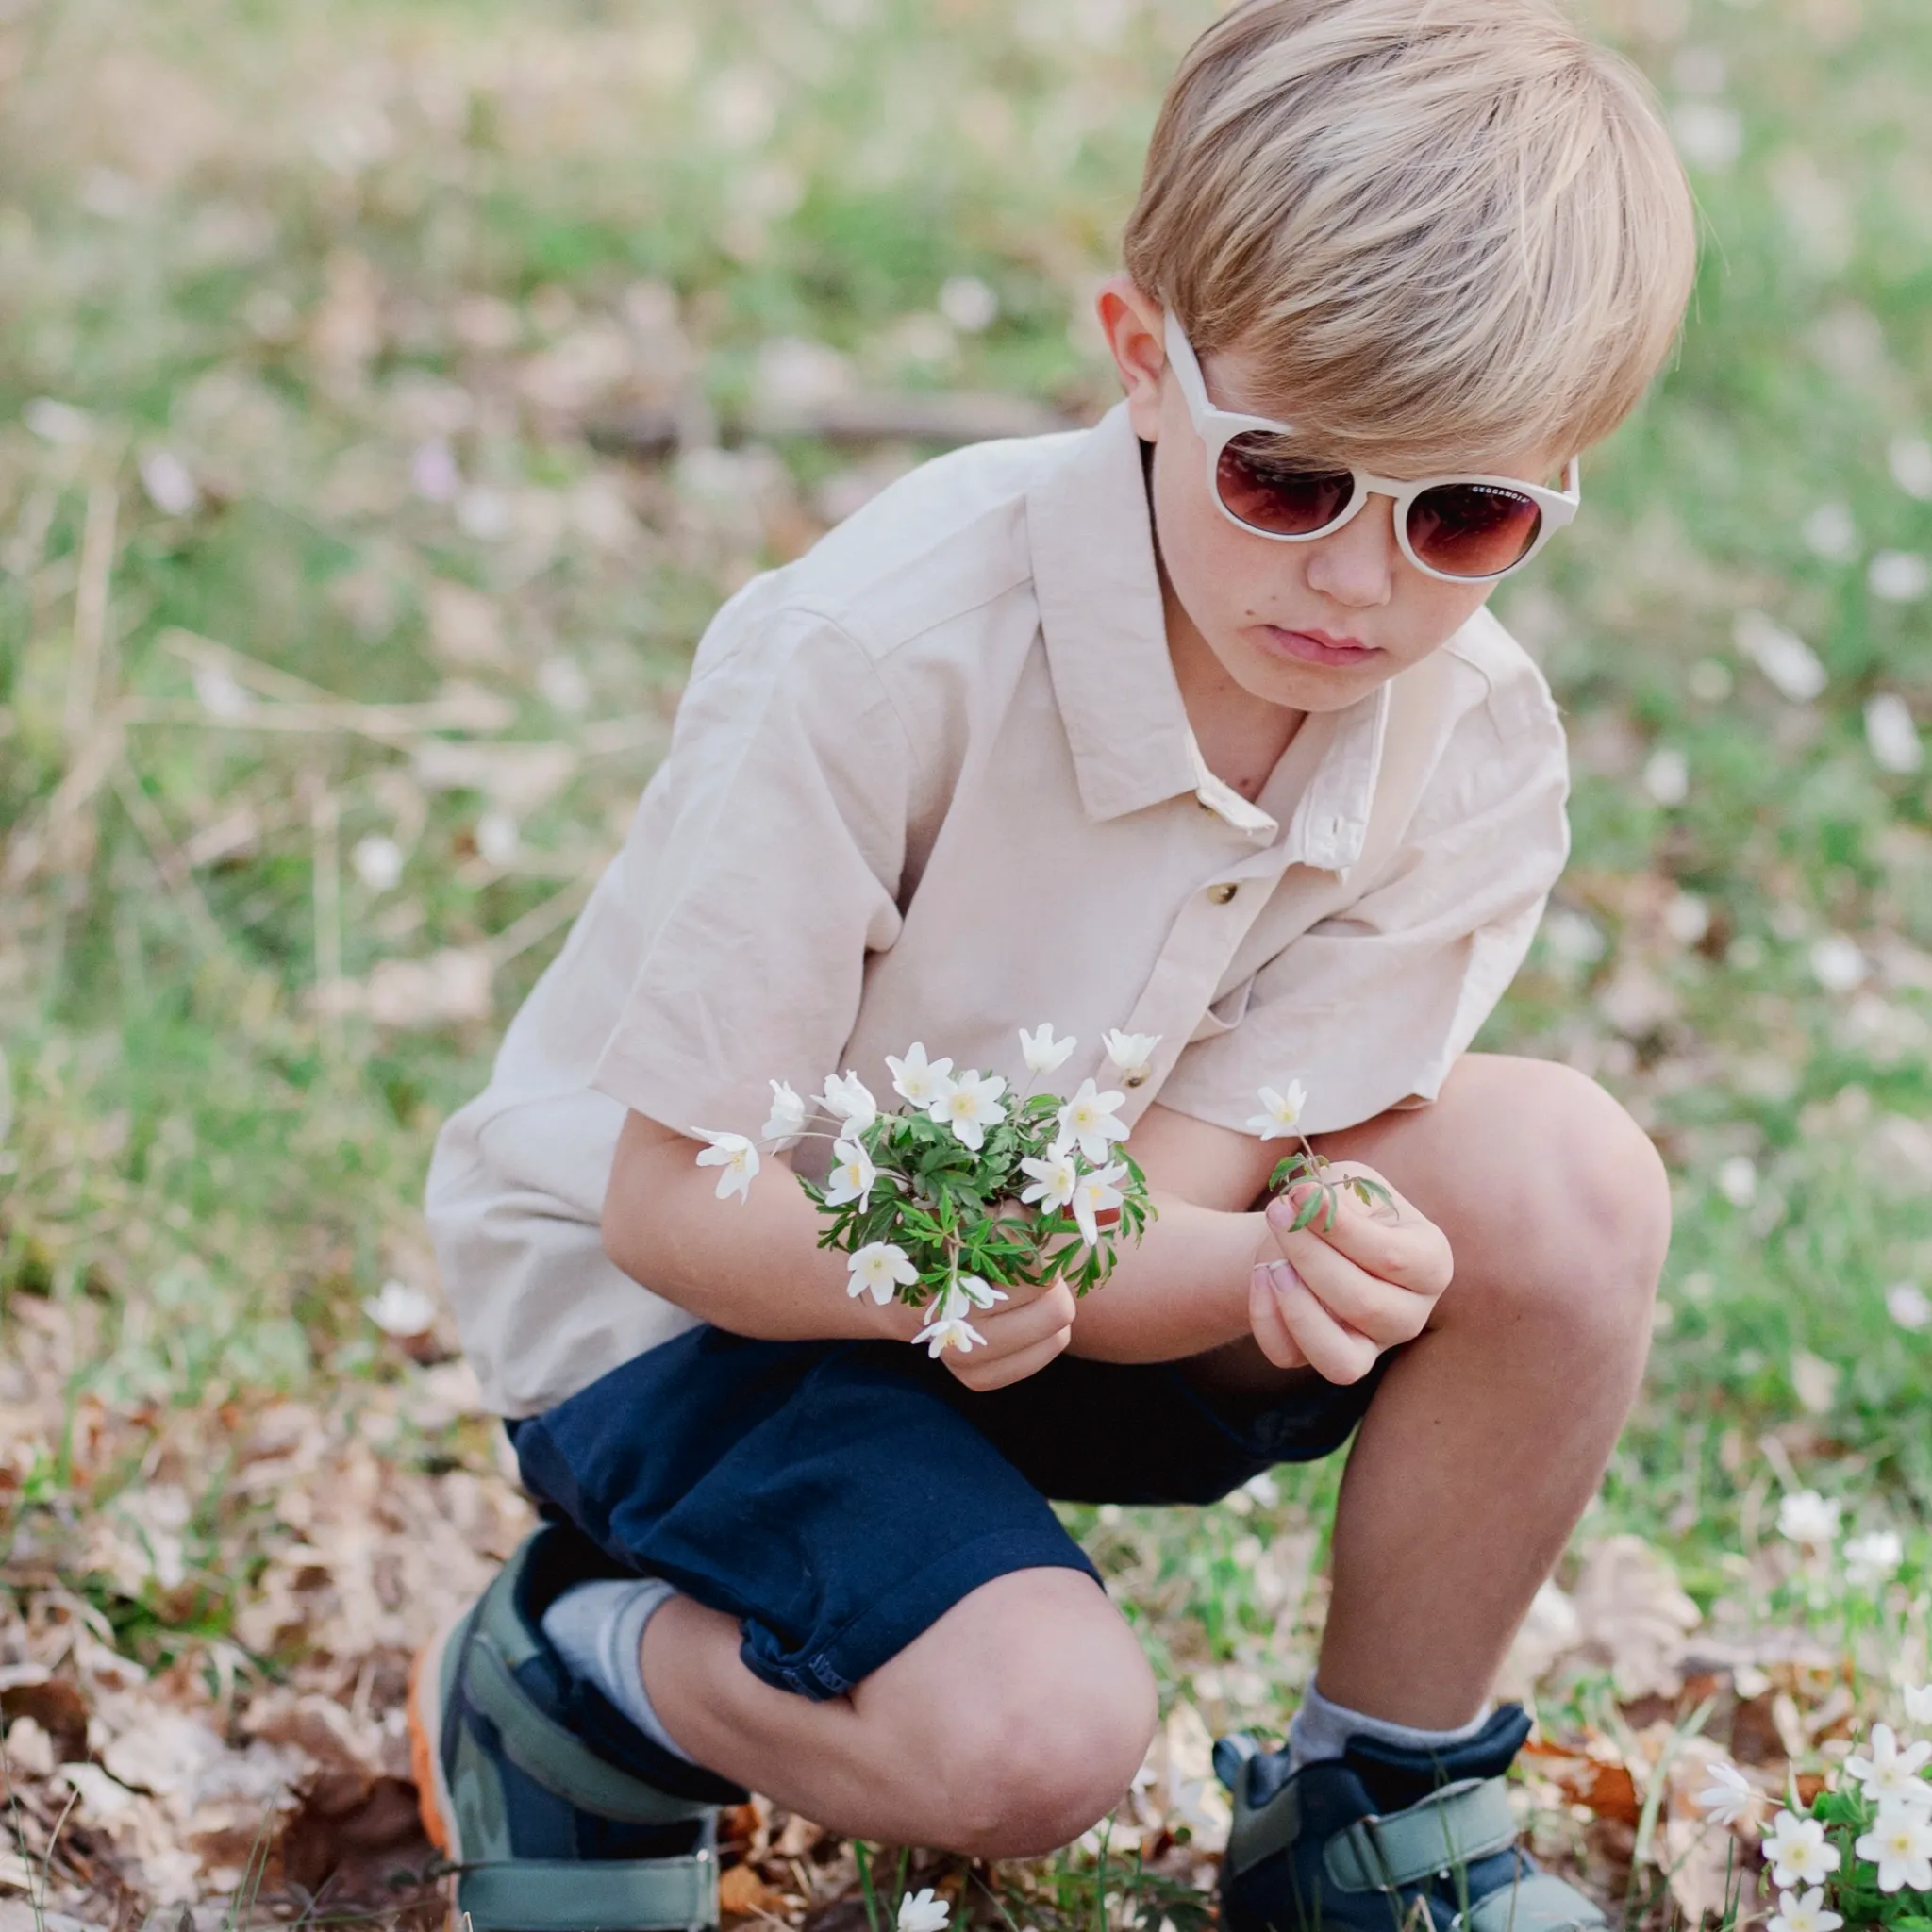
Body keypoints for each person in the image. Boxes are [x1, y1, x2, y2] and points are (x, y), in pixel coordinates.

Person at [409, 3, 1696, 1927]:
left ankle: (1375, 1807)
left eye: (1465, 512)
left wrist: (1283, 1261)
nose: (1359, 583)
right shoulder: (885, 651)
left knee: (1563, 1181)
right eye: (1287, 480)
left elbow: (1128, 1225)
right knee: (1036, 1742)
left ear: (1563, 474)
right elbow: (670, 1206)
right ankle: (576, 1677)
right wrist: (998, 1268)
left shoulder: (1471, 742)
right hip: (698, 1300)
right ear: (1144, 363)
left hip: (1046, 1282)